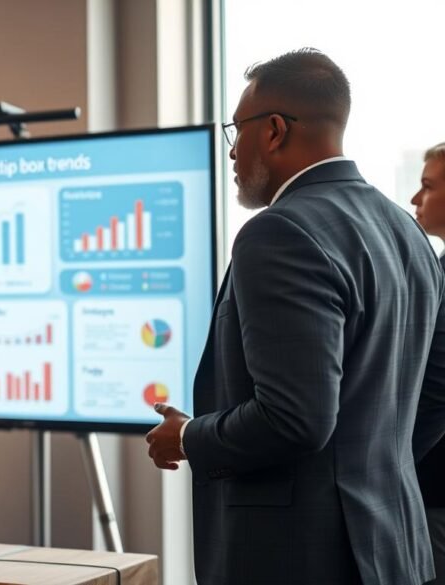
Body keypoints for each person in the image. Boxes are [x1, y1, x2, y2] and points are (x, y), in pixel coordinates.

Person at [145, 48, 445, 584]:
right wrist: (364, 468)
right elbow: (427, 398)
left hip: (299, 557)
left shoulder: (280, 233)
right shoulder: (407, 233)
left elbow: (294, 418)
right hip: (392, 545)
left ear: (275, 130)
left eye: (238, 132)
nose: (233, 154)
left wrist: (189, 437)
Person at [413, 142, 445, 585]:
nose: (416, 199)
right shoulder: (435, 266)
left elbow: (436, 390)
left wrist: (389, 458)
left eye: (427, 187)